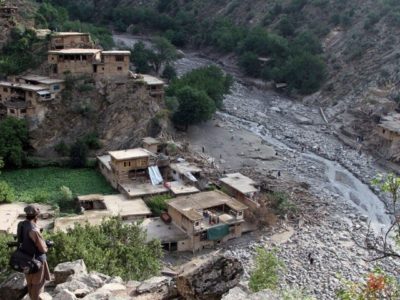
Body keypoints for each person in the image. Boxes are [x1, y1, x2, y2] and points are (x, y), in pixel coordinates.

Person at [17, 205, 50, 300]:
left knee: (30, 284)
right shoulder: (34, 230)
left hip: (24, 260)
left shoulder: (21, 225)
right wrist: (47, 245)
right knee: (38, 286)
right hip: (36, 262)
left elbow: (23, 240)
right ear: (36, 216)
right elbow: (43, 249)